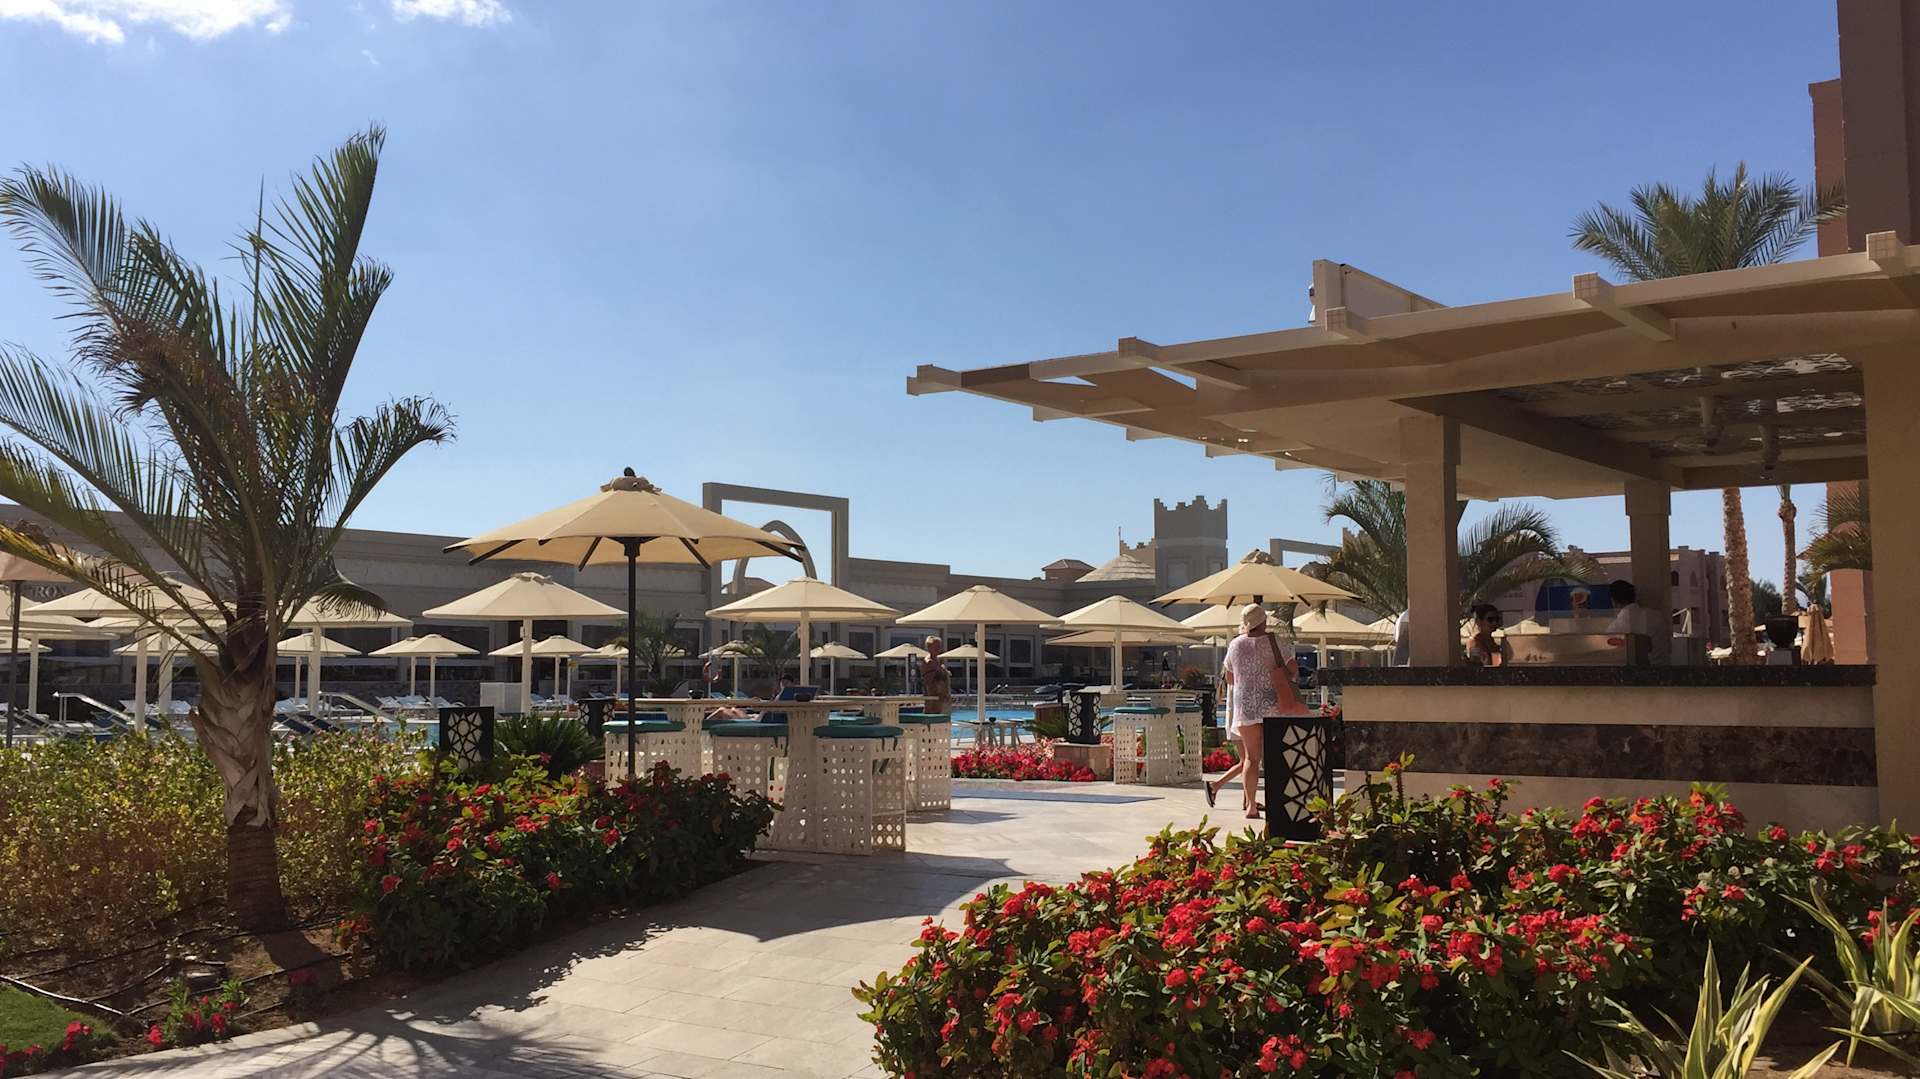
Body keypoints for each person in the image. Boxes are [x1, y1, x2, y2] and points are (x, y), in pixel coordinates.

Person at [1219, 603, 1311, 821]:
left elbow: (1230, 678)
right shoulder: (1276, 641)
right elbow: (1292, 670)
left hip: (1246, 707)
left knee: (1251, 758)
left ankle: (1251, 806)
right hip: (1273, 705)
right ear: (1264, 621)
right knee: (1275, 756)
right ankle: (1278, 802)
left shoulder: (1235, 644)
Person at [919, 635, 952, 716]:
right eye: (936, 647)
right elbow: (929, 683)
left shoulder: (937, 661)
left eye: (939, 646)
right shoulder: (929, 662)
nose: (938, 649)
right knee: (933, 718)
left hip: (941, 699)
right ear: (929, 647)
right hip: (933, 699)